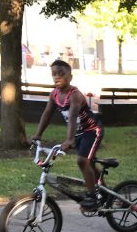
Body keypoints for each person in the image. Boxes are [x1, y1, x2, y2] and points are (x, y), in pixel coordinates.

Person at [32, 59, 104, 209]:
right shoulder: (54, 95)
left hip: (92, 130)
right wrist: (37, 134)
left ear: (70, 77)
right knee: (88, 162)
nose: (57, 77)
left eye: (61, 74)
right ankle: (102, 190)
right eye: (54, 74)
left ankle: (92, 197)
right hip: (78, 133)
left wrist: (69, 140)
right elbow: (47, 114)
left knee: (82, 161)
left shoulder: (75, 95)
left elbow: (73, 116)